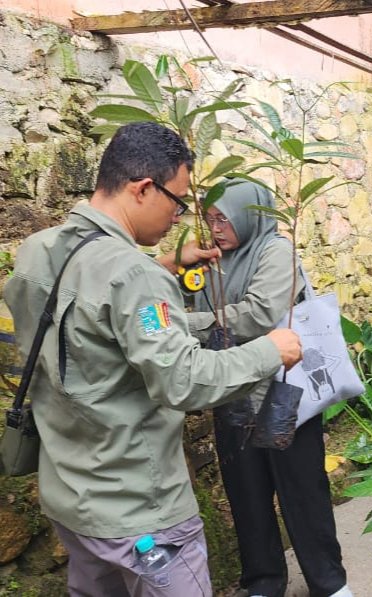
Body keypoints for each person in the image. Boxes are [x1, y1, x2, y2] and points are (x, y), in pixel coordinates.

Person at [4, 122, 302, 596]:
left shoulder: (38, 251)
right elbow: (183, 381)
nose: (179, 217)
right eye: (178, 201)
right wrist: (270, 350)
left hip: (70, 498)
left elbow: (94, 326)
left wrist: (164, 268)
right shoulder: (135, 275)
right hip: (140, 509)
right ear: (143, 188)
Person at [186, 181, 351, 597]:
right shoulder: (212, 259)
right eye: (210, 219)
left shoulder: (276, 251)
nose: (216, 227)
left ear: (249, 213)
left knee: (303, 490)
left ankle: (329, 582)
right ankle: (263, 582)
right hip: (233, 391)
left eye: (223, 217)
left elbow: (261, 312)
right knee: (247, 494)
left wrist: (197, 324)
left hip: (283, 391)